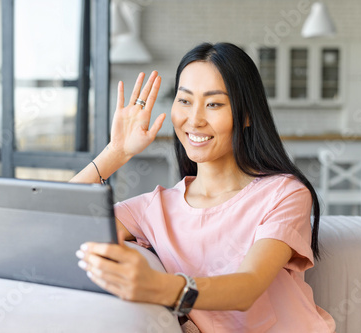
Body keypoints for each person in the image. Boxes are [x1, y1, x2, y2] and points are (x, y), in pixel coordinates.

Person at [70, 42, 336, 332]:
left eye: (214, 104)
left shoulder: (284, 193)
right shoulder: (154, 208)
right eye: (184, 101)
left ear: (246, 115)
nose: (194, 120)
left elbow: (247, 286)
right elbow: (59, 223)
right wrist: (116, 152)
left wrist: (159, 286)